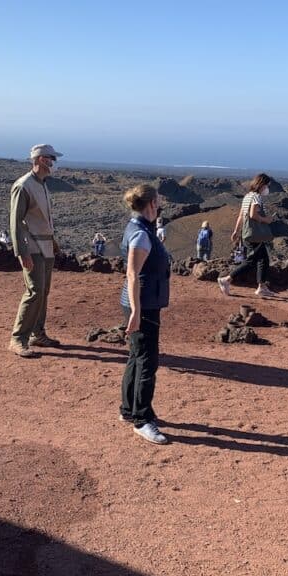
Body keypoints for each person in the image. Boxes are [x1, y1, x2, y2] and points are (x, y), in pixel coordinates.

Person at [119, 184, 171, 445]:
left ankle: (129, 409)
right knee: (148, 362)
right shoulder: (140, 234)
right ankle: (142, 419)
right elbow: (132, 274)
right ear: (151, 204)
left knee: (136, 357)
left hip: (143, 303)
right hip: (143, 305)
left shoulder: (140, 229)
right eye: (158, 200)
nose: (160, 204)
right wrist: (137, 312)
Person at [8, 143, 63, 357]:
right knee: (34, 291)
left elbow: (41, 219)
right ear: (41, 159)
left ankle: (37, 334)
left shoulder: (42, 184)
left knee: (43, 292)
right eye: (52, 159)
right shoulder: (23, 186)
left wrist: (53, 241)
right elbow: (15, 223)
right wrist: (22, 253)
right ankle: (17, 338)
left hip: (46, 246)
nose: (54, 163)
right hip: (32, 247)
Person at [217, 173, 278, 299]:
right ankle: (227, 280)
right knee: (252, 261)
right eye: (267, 185)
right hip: (254, 234)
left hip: (247, 233)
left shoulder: (247, 197)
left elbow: (241, 215)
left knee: (262, 259)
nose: (267, 188)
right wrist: (266, 220)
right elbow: (252, 215)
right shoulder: (256, 197)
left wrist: (236, 231)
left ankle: (262, 287)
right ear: (261, 185)